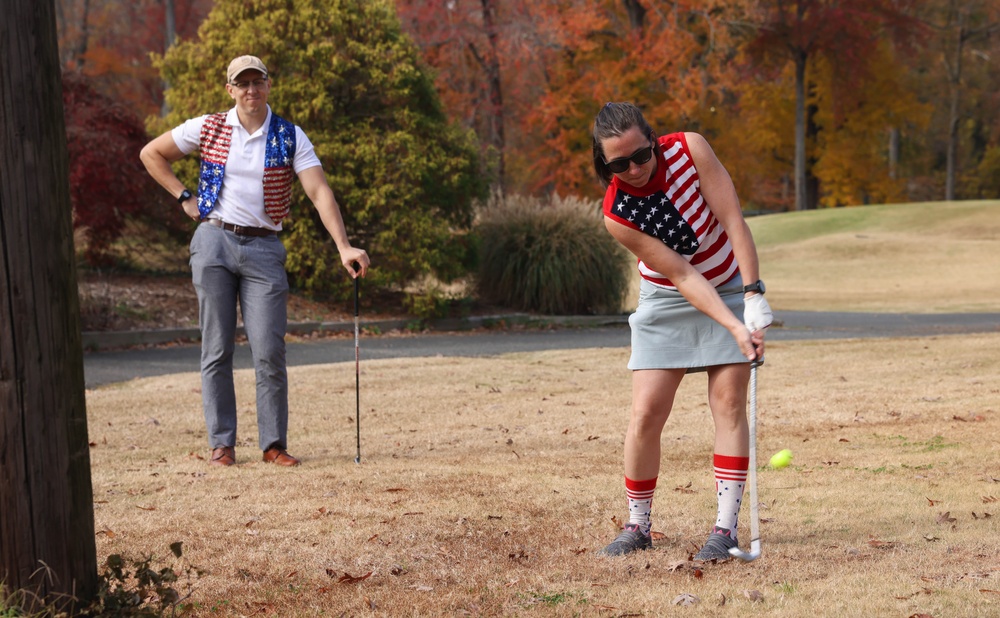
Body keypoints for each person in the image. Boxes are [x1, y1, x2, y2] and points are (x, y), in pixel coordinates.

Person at [140, 55, 369, 468]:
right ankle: (222, 444)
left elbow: (319, 193)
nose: (250, 90)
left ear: (267, 85)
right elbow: (151, 153)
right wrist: (183, 197)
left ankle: (272, 445)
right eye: (241, 83)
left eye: (257, 81)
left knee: (268, 350)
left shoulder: (289, 135)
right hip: (213, 241)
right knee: (216, 348)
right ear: (230, 89)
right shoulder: (207, 126)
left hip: (264, 249)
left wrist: (343, 246)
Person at [591, 102, 771, 560]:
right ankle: (638, 525)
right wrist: (732, 327)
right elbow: (684, 276)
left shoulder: (691, 150)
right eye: (618, 163)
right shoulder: (617, 213)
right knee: (646, 414)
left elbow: (733, 221)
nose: (633, 168)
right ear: (604, 163)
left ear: (654, 142)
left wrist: (751, 297)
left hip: (729, 284)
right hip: (668, 297)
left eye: (641, 156)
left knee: (729, 402)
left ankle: (725, 530)